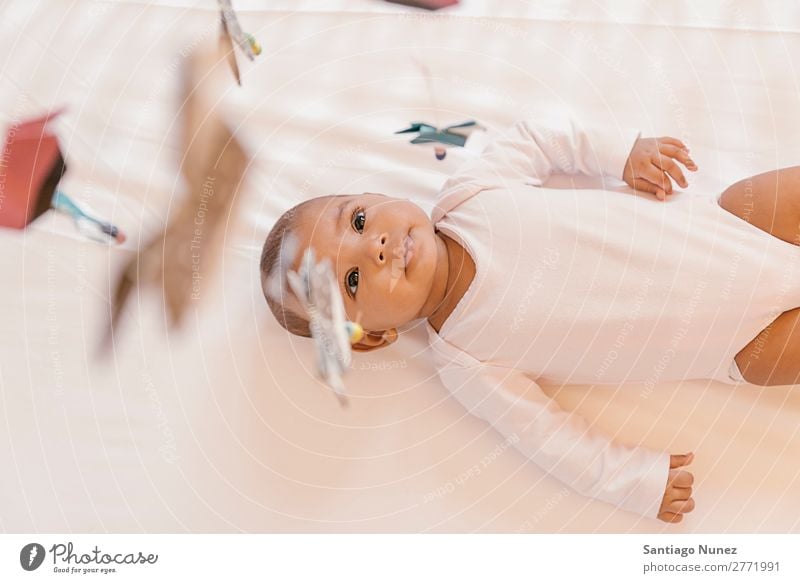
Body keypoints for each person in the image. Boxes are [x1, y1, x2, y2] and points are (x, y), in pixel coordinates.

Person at [259, 113, 800, 523]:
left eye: (356, 219)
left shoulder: (470, 194)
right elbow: (550, 440)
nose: (373, 246)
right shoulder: (466, 362)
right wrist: (633, 480)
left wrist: (623, 154)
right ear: (374, 336)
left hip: (726, 227)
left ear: (373, 194)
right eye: (351, 281)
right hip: (737, 343)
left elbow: (541, 137)